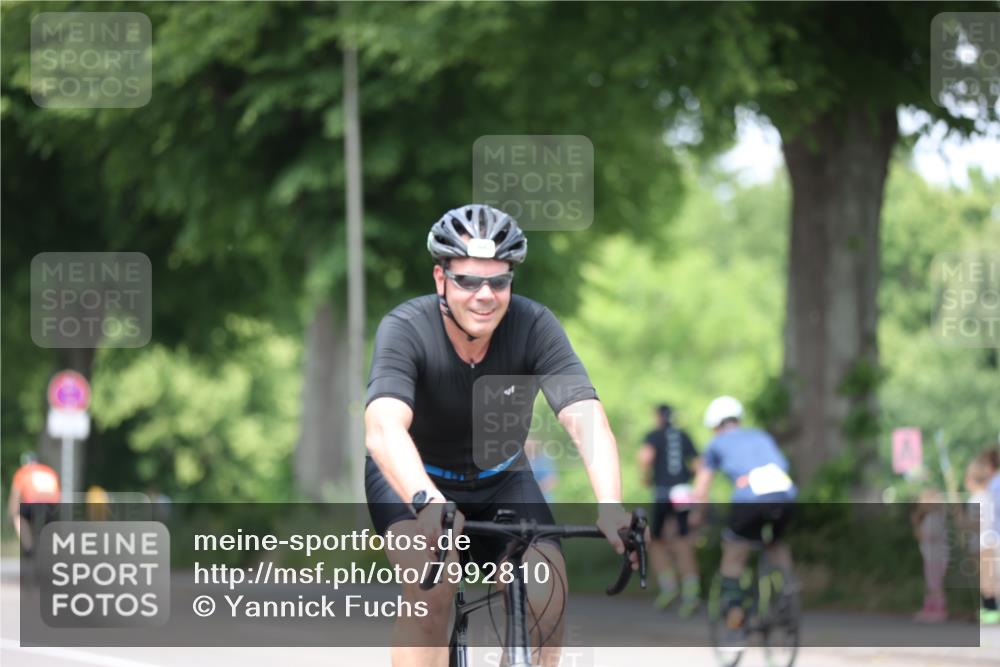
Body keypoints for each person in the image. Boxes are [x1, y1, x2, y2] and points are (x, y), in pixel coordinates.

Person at [364, 204, 634, 667]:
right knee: (432, 589)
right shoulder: (406, 329)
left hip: (503, 475)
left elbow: (585, 417)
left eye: (499, 281)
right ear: (440, 279)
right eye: (468, 280)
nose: (484, 294)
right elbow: (384, 428)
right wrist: (427, 501)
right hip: (414, 478)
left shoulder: (534, 325)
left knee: (548, 596)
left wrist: (610, 504)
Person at [691, 396, 796, 645]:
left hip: (750, 497)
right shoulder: (760, 435)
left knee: (734, 553)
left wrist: (698, 516)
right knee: (775, 542)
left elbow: (701, 488)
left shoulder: (716, 444)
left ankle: (735, 624)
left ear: (715, 426)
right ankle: (787, 591)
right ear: (738, 419)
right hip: (785, 493)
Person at [637, 403, 701, 615]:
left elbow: (645, 457)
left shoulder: (654, 435)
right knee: (683, 540)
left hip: (664, 492)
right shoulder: (683, 435)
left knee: (655, 541)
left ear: (658, 417)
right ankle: (691, 592)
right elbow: (698, 465)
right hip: (683, 490)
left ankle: (669, 586)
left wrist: (646, 478)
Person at [963, 456, 997, 625]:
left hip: (982, 545)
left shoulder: (976, 499)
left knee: (985, 581)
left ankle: (990, 612)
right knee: (989, 579)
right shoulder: (989, 496)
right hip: (990, 542)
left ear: (970, 479)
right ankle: (987, 610)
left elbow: (974, 524)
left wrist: (961, 520)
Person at [8, 452, 61, 555]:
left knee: (19, 518)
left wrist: (12, 514)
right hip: (52, 505)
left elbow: (15, 495)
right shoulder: (49, 471)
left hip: (33, 503)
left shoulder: (23, 472)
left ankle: (28, 547)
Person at [911, 487, 950, 623]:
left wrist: (916, 523)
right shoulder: (933, 517)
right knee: (931, 584)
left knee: (935, 585)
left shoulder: (934, 518)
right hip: (931, 557)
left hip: (936, 558)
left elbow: (927, 537)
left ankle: (939, 610)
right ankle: (930, 609)